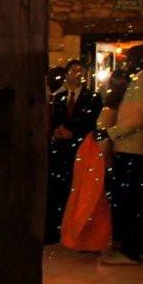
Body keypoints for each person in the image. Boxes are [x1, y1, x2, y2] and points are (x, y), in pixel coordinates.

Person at [97, 46, 143, 265]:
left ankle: (131, 251)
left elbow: (138, 118)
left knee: (131, 202)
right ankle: (135, 247)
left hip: (135, 150)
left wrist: (110, 133)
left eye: (130, 59)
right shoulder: (142, 80)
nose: (127, 64)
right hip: (132, 149)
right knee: (133, 201)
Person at [61, 69, 129, 253]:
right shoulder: (111, 106)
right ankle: (95, 239)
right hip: (97, 153)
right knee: (96, 198)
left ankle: (98, 239)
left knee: (97, 198)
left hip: (97, 153)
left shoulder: (112, 106)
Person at [46, 59, 102, 244]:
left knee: (78, 190)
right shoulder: (60, 97)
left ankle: (77, 231)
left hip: (81, 149)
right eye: (73, 70)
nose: (76, 73)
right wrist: (56, 132)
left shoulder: (92, 97)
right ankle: (56, 230)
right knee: (57, 189)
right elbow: (53, 121)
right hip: (60, 150)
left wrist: (74, 134)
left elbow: (93, 124)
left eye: (80, 70)